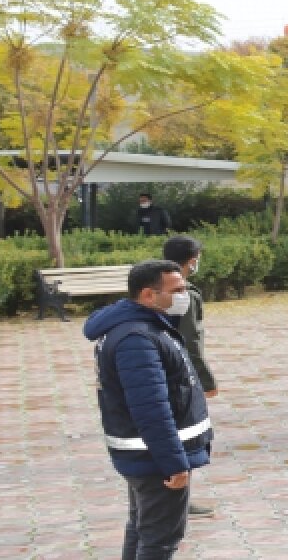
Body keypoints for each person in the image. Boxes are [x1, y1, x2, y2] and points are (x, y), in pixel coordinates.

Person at [83, 260, 213, 559]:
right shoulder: (137, 339)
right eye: (177, 290)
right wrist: (174, 463)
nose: (184, 296)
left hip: (150, 454)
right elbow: (150, 408)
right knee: (159, 539)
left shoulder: (149, 327)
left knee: (143, 528)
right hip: (154, 457)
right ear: (148, 295)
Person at [160, 236, 217, 519]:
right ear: (191, 260)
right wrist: (206, 380)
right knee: (185, 434)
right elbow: (190, 341)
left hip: (157, 365)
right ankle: (178, 499)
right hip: (179, 371)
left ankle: (170, 497)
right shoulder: (185, 294)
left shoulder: (153, 285)